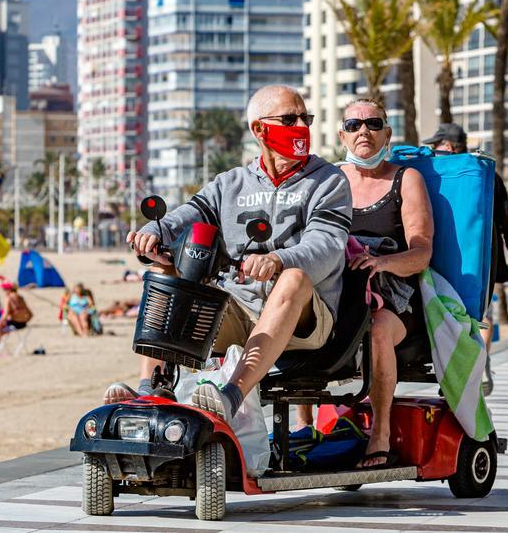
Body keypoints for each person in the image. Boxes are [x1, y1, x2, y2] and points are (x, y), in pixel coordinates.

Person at [115, 84, 352, 423]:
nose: (301, 126)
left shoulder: (329, 181)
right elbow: (189, 214)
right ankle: (153, 388)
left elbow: (326, 245)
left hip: (302, 318)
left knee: (294, 278)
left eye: (306, 118)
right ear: (259, 129)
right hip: (234, 308)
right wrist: (154, 233)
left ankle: (231, 395)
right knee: (163, 272)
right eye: (289, 118)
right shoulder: (231, 183)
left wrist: (278, 260)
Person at [335, 99, 433, 468]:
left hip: (394, 301)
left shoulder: (406, 180)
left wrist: (381, 262)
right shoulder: (330, 181)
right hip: (340, 293)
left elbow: (421, 253)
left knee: (375, 329)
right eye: (355, 124)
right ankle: (304, 428)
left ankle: (381, 432)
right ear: (342, 135)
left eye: (373, 124)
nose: (364, 131)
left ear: (387, 134)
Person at [423, 122, 508, 395]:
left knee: (472, 312)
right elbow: (507, 218)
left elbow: (505, 216)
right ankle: (480, 362)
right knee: (482, 312)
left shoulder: (440, 173)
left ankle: (474, 364)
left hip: (462, 259)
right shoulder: (483, 172)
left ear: (449, 146)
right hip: (484, 260)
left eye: (437, 145)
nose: (433, 150)